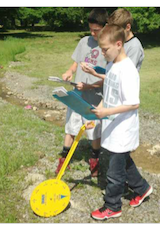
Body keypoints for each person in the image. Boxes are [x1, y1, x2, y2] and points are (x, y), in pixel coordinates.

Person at [88, 24, 152, 220]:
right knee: (123, 163)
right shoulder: (112, 64)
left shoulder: (128, 70)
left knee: (114, 173)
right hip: (111, 126)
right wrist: (98, 110)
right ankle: (142, 188)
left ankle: (112, 206)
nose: (102, 53)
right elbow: (108, 92)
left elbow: (133, 104)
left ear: (118, 44)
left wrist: (107, 111)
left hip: (122, 130)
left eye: (105, 49)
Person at [55, 8, 108, 177]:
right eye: (90, 29)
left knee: (94, 132)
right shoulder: (84, 41)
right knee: (71, 127)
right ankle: (63, 160)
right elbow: (76, 63)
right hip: (76, 96)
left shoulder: (108, 47)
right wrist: (69, 72)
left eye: (96, 30)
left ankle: (94, 161)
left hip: (94, 98)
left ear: (105, 27)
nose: (92, 33)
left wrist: (89, 86)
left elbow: (109, 78)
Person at [81, 8, 144, 79]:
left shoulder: (134, 46)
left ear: (128, 27)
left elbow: (124, 76)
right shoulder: (117, 40)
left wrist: (95, 74)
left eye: (117, 30)